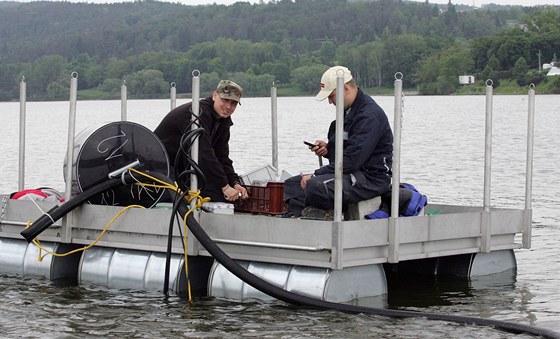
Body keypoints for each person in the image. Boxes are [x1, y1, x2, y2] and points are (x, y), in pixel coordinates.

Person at [284, 66, 393, 219]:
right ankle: (307, 214)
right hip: (350, 174)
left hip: (370, 179)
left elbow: (352, 160)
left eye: (332, 96)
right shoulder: (347, 113)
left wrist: (315, 174)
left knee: (314, 185)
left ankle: (324, 214)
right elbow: (344, 152)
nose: (330, 102)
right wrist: (328, 150)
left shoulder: (369, 116)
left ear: (346, 89)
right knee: (291, 184)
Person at [154, 80, 248, 203]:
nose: (228, 107)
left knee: (225, 198)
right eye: (225, 100)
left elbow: (222, 157)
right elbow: (204, 154)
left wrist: (234, 182)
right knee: (181, 199)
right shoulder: (197, 114)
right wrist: (224, 186)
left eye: (234, 103)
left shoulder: (223, 120)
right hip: (161, 166)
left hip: (185, 167)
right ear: (215, 95)